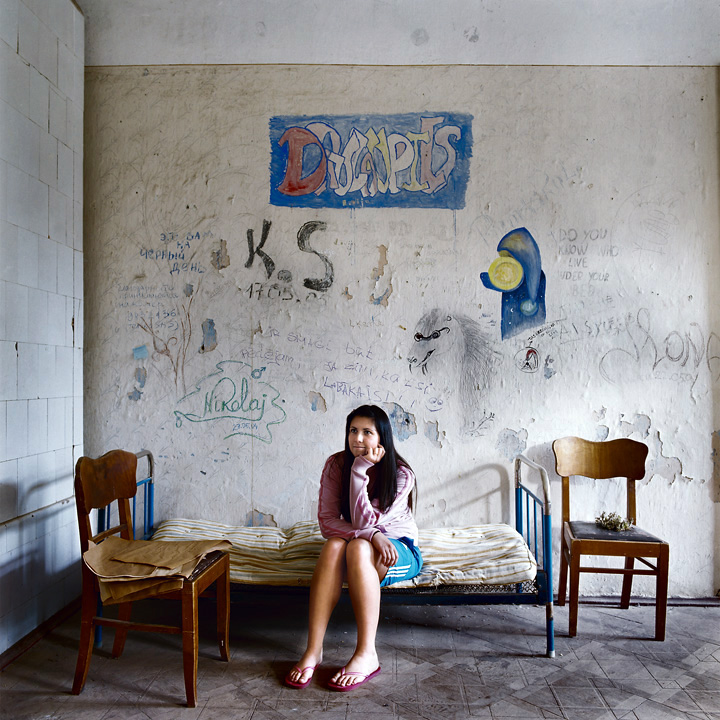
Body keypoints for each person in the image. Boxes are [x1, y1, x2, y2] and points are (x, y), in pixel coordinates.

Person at [285, 404, 422, 691]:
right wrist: (372, 534)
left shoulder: (401, 474)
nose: (357, 439)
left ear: (382, 438)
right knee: (334, 545)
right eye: (353, 430)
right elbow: (327, 522)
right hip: (359, 545)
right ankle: (313, 650)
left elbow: (362, 521)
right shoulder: (336, 464)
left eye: (367, 432)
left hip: (398, 549)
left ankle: (367, 654)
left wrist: (360, 470)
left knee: (358, 546)